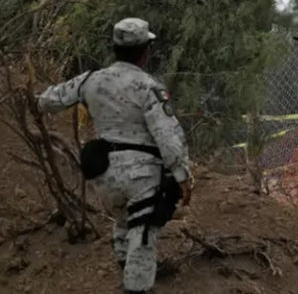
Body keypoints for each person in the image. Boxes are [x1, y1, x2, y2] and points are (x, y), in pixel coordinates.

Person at [37, 18, 192, 294]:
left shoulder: (91, 79)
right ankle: (136, 288)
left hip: (105, 176)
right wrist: (182, 175)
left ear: (115, 48)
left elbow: (50, 100)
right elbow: (167, 134)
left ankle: (128, 273)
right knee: (143, 234)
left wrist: (35, 100)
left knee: (124, 223)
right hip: (142, 176)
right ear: (145, 51)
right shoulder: (148, 87)